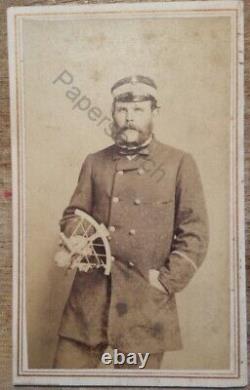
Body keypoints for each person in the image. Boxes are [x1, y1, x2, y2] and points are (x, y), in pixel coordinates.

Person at [53, 75, 209, 369]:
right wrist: (77, 236)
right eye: (123, 110)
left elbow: (196, 231)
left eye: (138, 110)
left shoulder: (178, 163)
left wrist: (166, 281)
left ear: (154, 113)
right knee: (63, 380)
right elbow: (73, 214)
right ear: (113, 113)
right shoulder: (94, 162)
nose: (129, 118)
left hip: (144, 302)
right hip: (90, 299)